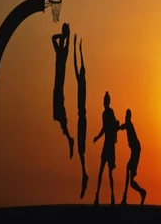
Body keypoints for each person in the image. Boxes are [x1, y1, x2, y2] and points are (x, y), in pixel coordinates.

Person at [52, 23, 74, 159]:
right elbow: (52, 38)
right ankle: (69, 139)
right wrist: (63, 35)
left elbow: (55, 39)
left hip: (59, 90)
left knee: (61, 119)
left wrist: (66, 36)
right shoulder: (59, 51)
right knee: (59, 119)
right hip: (56, 89)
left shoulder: (63, 52)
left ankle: (70, 139)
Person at [93, 92, 119, 205]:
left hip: (110, 145)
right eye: (104, 100)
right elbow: (104, 128)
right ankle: (97, 195)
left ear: (108, 101)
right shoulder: (104, 114)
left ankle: (112, 196)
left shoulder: (110, 112)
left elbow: (114, 126)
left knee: (108, 173)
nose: (104, 102)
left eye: (106, 100)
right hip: (106, 144)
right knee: (101, 171)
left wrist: (113, 136)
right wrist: (98, 137)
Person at [118, 109, 147, 205]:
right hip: (134, 152)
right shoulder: (128, 125)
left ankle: (125, 197)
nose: (125, 117)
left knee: (128, 170)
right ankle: (142, 192)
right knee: (131, 182)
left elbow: (122, 127)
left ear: (129, 117)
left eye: (127, 116)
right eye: (125, 115)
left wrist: (115, 127)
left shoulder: (129, 125)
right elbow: (122, 127)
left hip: (136, 152)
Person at [74, 34, 89, 199]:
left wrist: (75, 49)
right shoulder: (82, 82)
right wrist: (78, 49)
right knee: (80, 150)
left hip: (82, 118)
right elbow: (79, 65)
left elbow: (76, 65)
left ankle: (85, 175)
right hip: (81, 118)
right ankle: (84, 174)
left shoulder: (81, 82)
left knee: (80, 149)